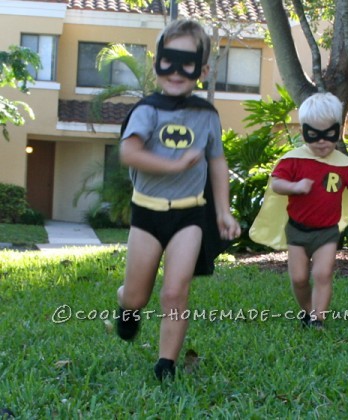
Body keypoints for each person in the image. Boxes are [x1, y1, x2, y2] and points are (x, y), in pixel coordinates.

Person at [116, 19, 240, 381]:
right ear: (157, 63)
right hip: (148, 215)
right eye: (169, 61)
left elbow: (217, 161)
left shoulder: (206, 115)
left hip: (189, 215)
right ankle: (126, 307)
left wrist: (223, 210)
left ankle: (165, 364)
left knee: (175, 291)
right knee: (137, 296)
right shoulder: (146, 110)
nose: (176, 72)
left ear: (202, 70)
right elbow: (130, 153)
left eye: (187, 63)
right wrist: (173, 166)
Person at [250, 92, 348, 329]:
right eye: (314, 135)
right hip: (297, 231)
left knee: (323, 274)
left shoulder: (344, 165)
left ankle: (318, 319)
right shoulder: (293, 160)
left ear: (339, 129)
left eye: (329, 134)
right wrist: (295, 186)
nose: (322, 141)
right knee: (299, 278)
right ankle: (307, 310)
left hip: (327, 232)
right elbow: (276, 184)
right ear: (304, 130)